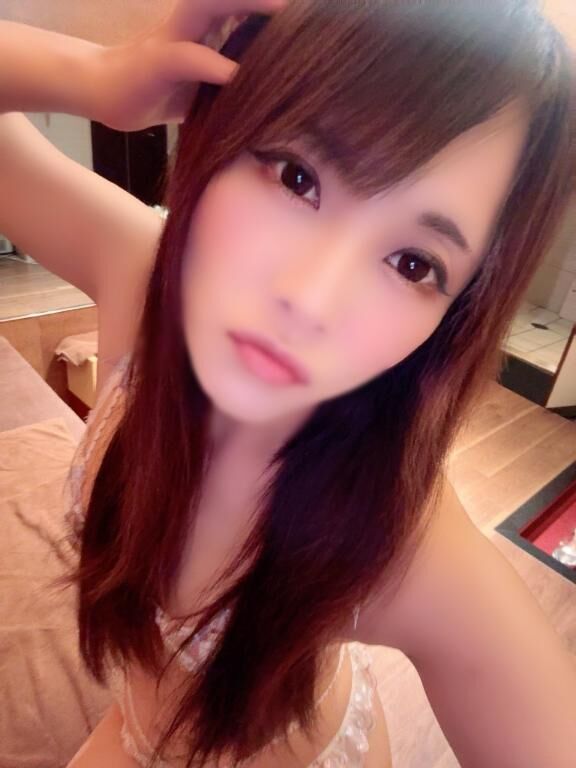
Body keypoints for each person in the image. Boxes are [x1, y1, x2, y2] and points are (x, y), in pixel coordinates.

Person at [1, 1, 575, 766]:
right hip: (134, 728)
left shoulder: (397, 532)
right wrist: (98, 77)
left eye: (412, 263)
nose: (310, 300)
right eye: (297, 177)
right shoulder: (139, 274)